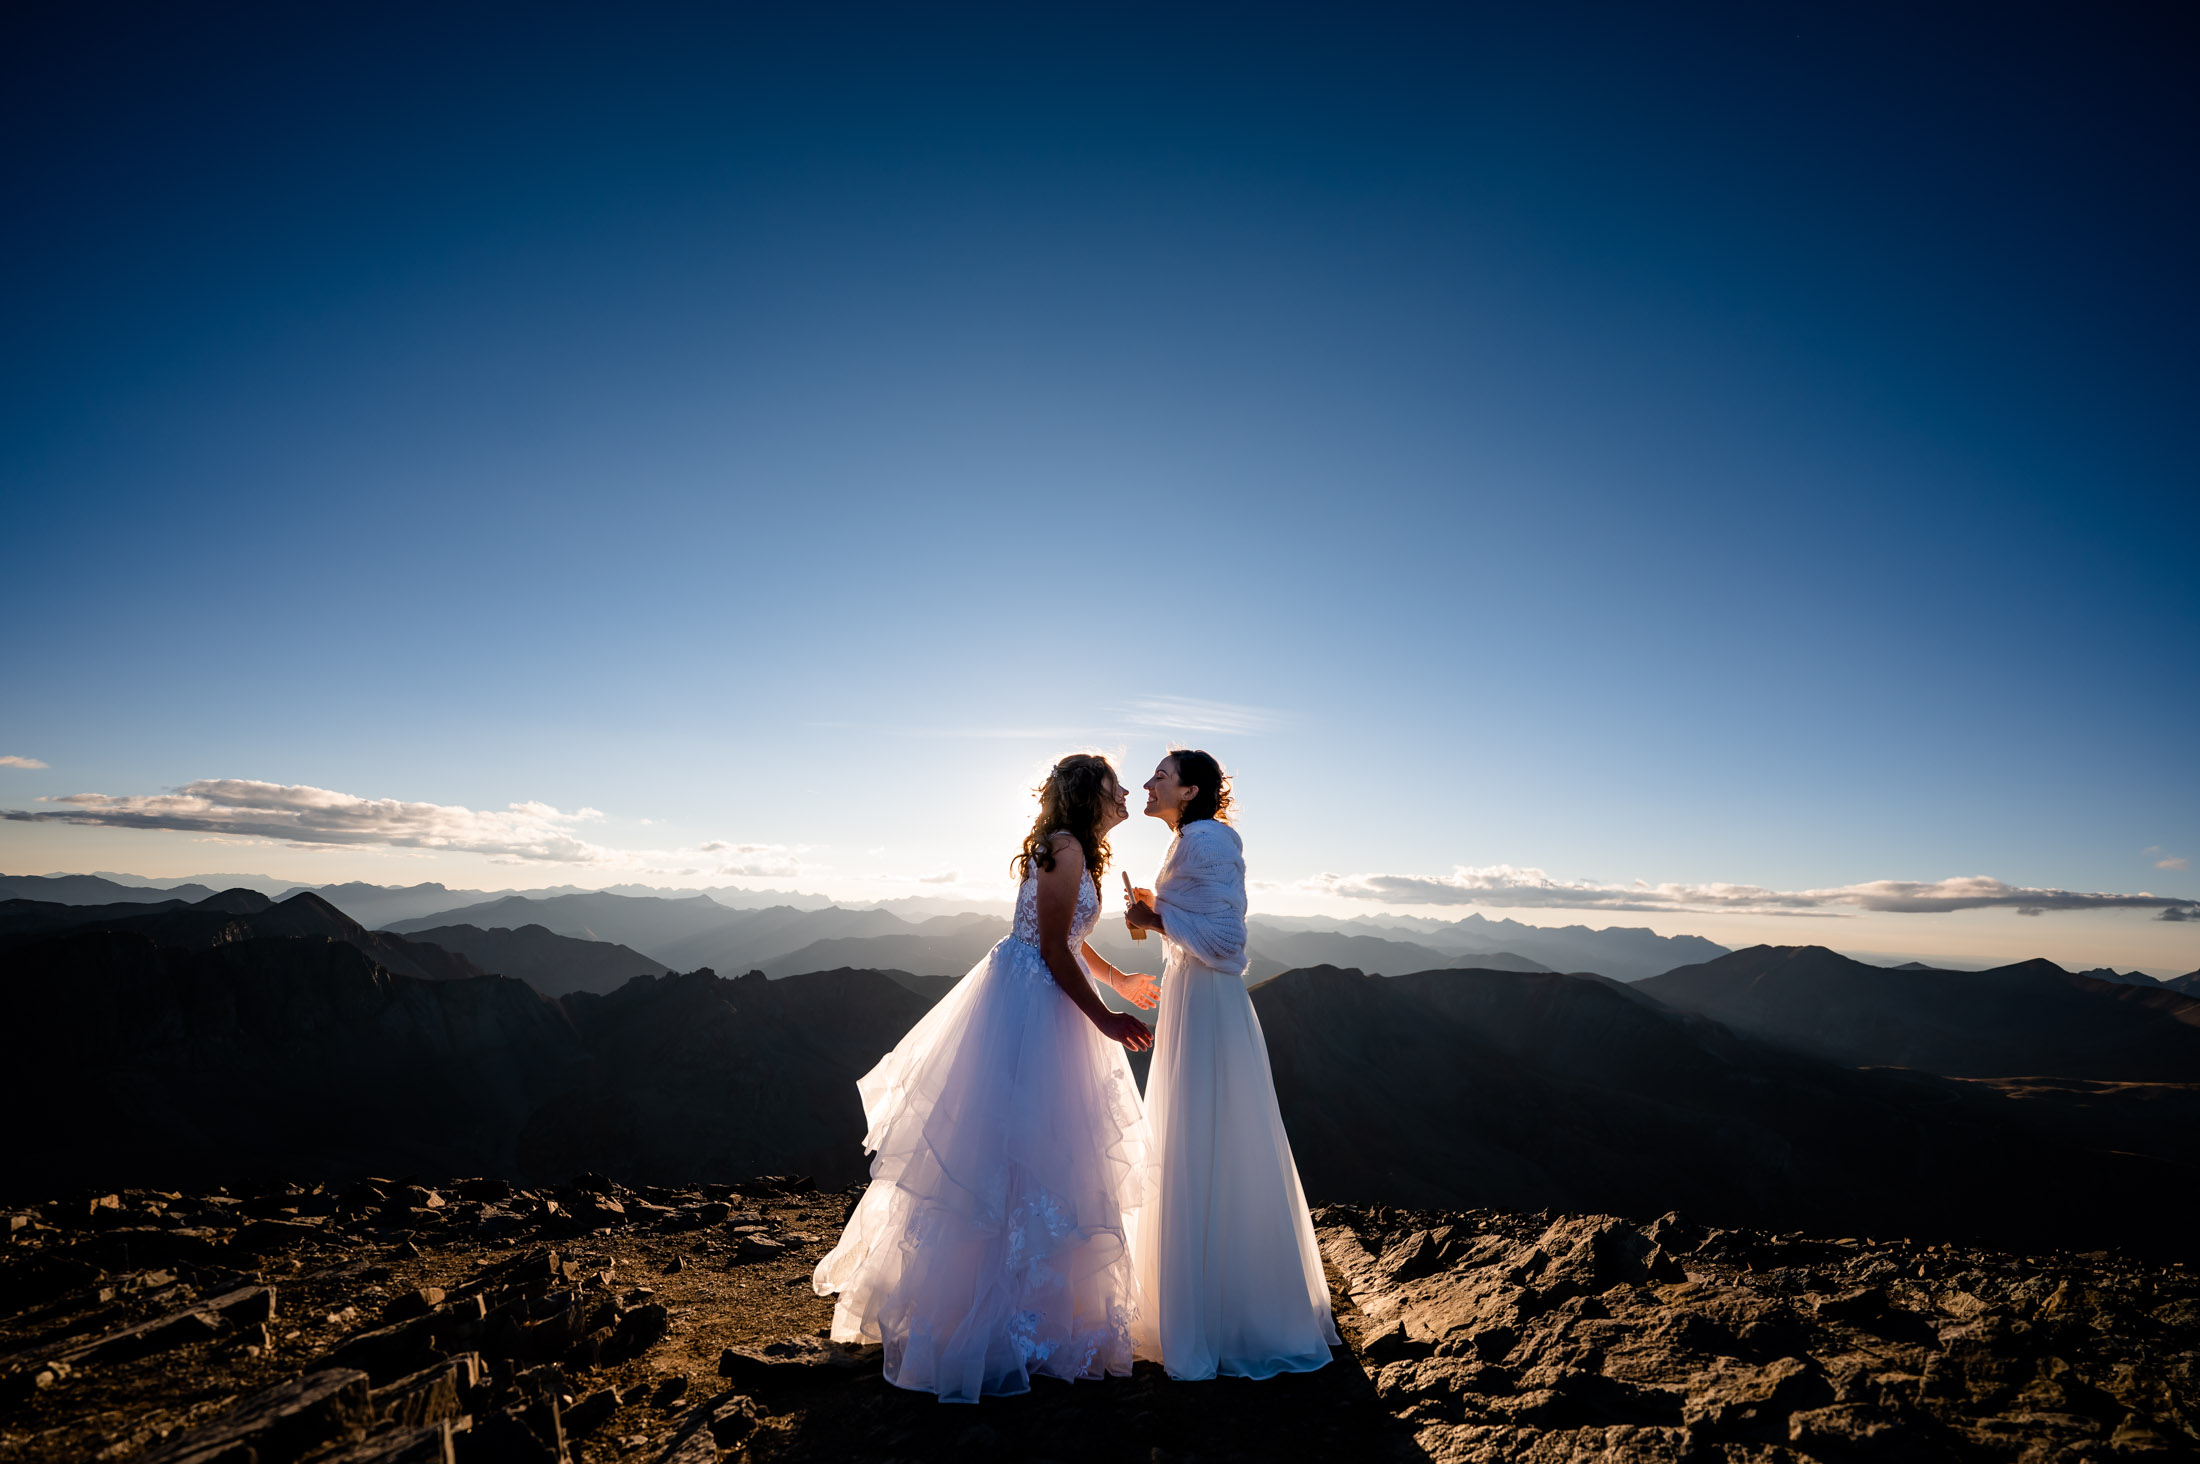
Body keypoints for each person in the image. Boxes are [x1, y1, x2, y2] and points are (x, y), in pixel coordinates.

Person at [813, 753, 1163, 1402]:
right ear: (1090, 795)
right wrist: (1107, 1019)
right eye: (1115, 788)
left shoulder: (1073, 849)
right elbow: (1053, 947)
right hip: (1034, 1007)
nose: (1125, 798)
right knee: (1019, 1158)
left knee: (1041, 1159)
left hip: (1041, 996)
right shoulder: (1065, 847)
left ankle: (1034, 1320)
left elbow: (1069, 933)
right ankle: (1002, 1326)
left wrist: (1116, 980)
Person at [1126, 749, 1340, 1380]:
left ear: (1190, 791)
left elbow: (1226, 942)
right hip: (1191, 1000)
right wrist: (1159, 916)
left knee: (1208, 1136)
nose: (1149, 782)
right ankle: (1205, 1305)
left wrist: (1155, 917)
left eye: (1161, 776)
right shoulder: (1191, 838)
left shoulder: (1208, 840)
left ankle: (1220, 1314)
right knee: (1196, 1136)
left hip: (1210, 1004)